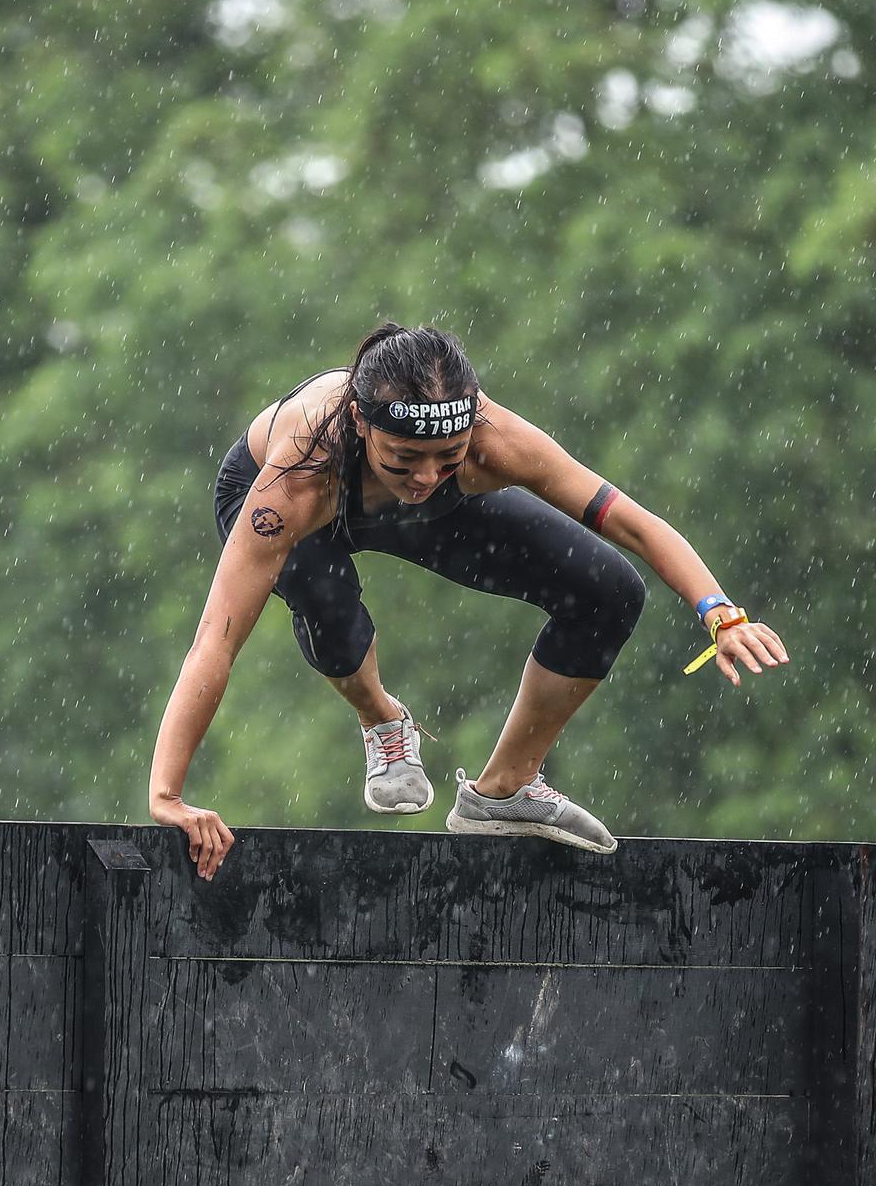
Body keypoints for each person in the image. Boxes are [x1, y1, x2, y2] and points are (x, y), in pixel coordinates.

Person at [149, 322, 788, 878]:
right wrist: (168, 795)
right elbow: (217, 639)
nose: (426, 476)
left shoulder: (492, 441)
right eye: (405, 458)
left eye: (446, 457)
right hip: (313, 505)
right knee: (327, 602)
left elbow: (632, 522)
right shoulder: (298, 479)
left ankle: (504, 791)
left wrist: (721, 614)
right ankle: (381, 717)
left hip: (413, 511)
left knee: (608, 590)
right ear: (360, 427)